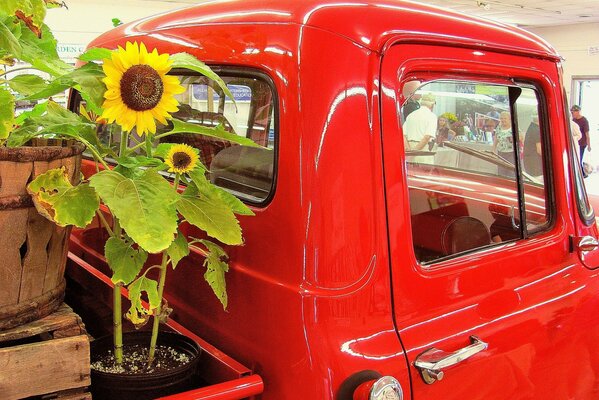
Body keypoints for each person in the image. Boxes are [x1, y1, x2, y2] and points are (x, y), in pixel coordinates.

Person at [571, 105, 590, 176]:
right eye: (572, 112)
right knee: (575, 158)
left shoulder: (584, 120)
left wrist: (589, 145)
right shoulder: (573, 120)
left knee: (579, 158)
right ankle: (580, 173)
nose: (572, 113)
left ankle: (582, 174)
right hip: (575, 143)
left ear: (578, 111)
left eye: (573, 112)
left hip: (582, 143)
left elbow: (587, 134)